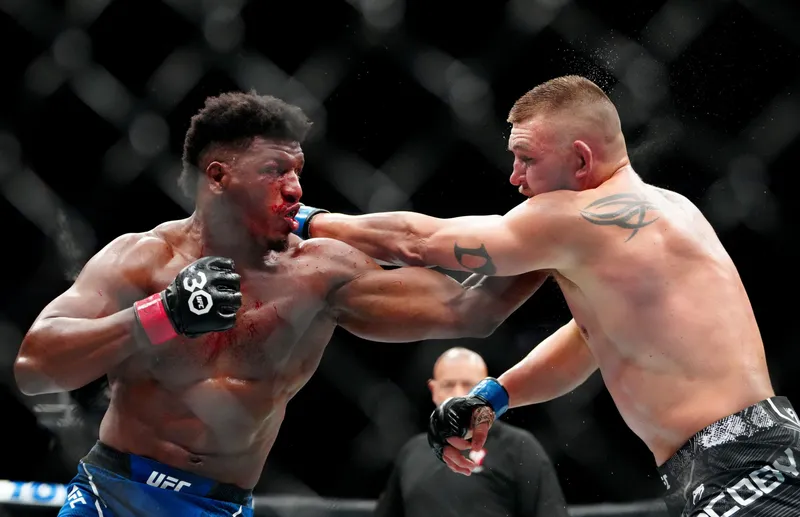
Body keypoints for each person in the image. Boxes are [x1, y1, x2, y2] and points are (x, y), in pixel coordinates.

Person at [13, 92, 550, 517]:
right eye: (275, 170)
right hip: (113, 496)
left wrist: (559, 237)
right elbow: (35, 368)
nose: (295, 189)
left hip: (220, 507)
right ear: (219, 177)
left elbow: (472, 311)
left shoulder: (320, 272)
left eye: (297, 171)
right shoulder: (141, 260)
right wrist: (160, 315)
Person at [295, 75, 800, 516]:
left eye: (527, 160)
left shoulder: (577, 218)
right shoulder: (671, 207)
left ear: (580, 159)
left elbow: (420, 241)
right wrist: (496, 395)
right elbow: (590, 338)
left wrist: (304, 220)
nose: (515, 179)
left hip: (740, 462)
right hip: (744, 451)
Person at [374, 347, 567, 517]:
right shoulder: (411, 451)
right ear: (434, 390)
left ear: (486, 391)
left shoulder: (520, 447)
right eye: (449, 385)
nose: (459, 394)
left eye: (469, 386)